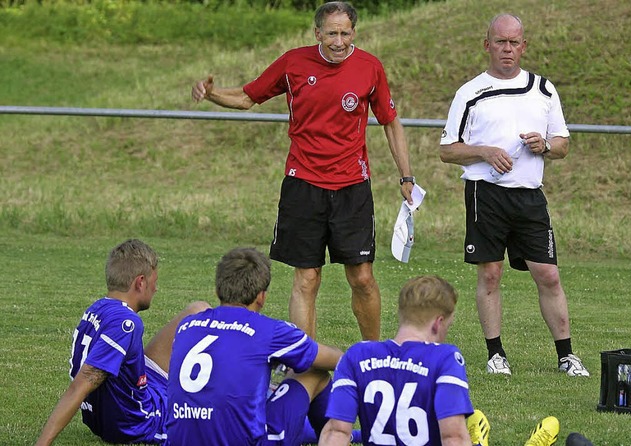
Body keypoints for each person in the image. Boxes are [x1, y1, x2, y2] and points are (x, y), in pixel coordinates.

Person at [191, 1, 414, 341]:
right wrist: (211, 94)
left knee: (363, 278)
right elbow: (248, 97)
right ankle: (305, 363)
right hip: (303, 185)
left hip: (352, 187)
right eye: (331, 33)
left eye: (344, 33)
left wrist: (406, 176)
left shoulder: (370, 67)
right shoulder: (293, 63)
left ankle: (374, 353)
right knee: (306, 278)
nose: (338, 41)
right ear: (317, 33)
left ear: (353, 32)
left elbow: (390, 122)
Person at [439, 13, 589, 377]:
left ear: (524, 46)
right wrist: (485, 151)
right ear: (487, 44)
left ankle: (567, 355)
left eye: (514, 42)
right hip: (485, 195)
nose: (508, 49)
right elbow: (447, 149)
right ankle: (496, 355)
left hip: (529, 196)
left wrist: (545, 145)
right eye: (500, 42)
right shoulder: (470, 92)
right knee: (490, 274)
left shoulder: (542, 88)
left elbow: (563, 144)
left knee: (548, 275)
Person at [35, 239, 210, 445]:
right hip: (136, 422)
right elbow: (82, 384)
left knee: (199, 311)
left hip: (109, 410)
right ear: (140, 282)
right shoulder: (126, 323)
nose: (156, 289)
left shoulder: (98, 308)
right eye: (154, 282)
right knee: (216, 413)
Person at [165, 247, 345, 445]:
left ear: (217, 290)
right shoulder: (271, 331)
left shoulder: (187, 325)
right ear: (261, 296)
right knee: (313, 373)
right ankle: (335, 435)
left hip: (180, 440)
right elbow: (334, 360)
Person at [318, 275, 476, 445]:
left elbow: (337, 430)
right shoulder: (445, 359)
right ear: (438, 323)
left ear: (402, 313)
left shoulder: (356, 355)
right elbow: (454, 436)